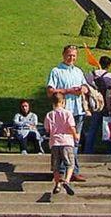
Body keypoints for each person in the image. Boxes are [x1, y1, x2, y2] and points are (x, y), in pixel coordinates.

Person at [46, 45, 87, 182]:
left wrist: (82, 89)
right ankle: (62, 171)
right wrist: (68, 91)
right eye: (69, 55)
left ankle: (74, 170)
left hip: (78, 111)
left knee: (74, 142)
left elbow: (86, 87)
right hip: (63, 112)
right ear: (63, 55)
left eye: (74, 55)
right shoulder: (56, 71)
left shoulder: (78, 71)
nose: (72, 58)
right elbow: (50, 91)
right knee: (62, 143)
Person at [45, 93, 78, 196]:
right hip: (67, 141)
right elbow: (71, 126)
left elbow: (47, 129)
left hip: (55, 142)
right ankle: (67, 181)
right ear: (63, 102)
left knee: (56, 166)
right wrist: (75, 135)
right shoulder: (67, 113)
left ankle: (57, 184)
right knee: (70, 164)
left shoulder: (49, 114)